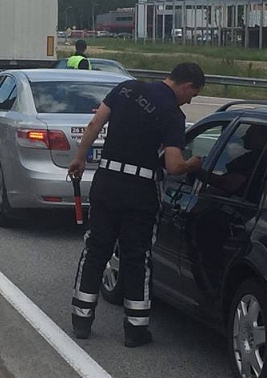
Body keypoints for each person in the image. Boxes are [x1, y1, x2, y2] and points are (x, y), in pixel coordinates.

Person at [69, 62, 205, 347]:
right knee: (136, 257)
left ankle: (81, 319)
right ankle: (135, 328)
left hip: (106, 182)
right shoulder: (173, 115)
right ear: (187, 85)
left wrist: (80, 157)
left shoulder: (127, 88)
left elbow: (95, 124)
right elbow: (173, 165)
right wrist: (192, 164)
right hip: (140, 190)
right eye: (192, 95)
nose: (189, 100)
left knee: (96, 249)